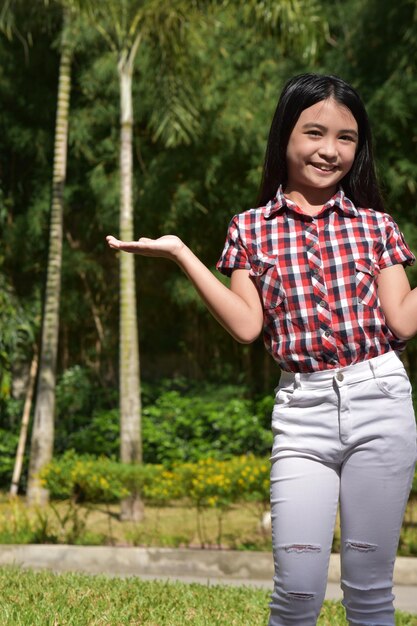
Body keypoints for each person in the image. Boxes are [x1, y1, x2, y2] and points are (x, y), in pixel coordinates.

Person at [107, 73, 417, 625]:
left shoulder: (376, 225)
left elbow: (403, 320)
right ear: (284, 138)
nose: (329, 150)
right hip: (302, 412)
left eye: (346, 138)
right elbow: (248, 326)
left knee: (370, 592)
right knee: (297, 593)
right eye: (314, 133)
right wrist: (181, 253)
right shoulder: (250, 229)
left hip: (381, 400)